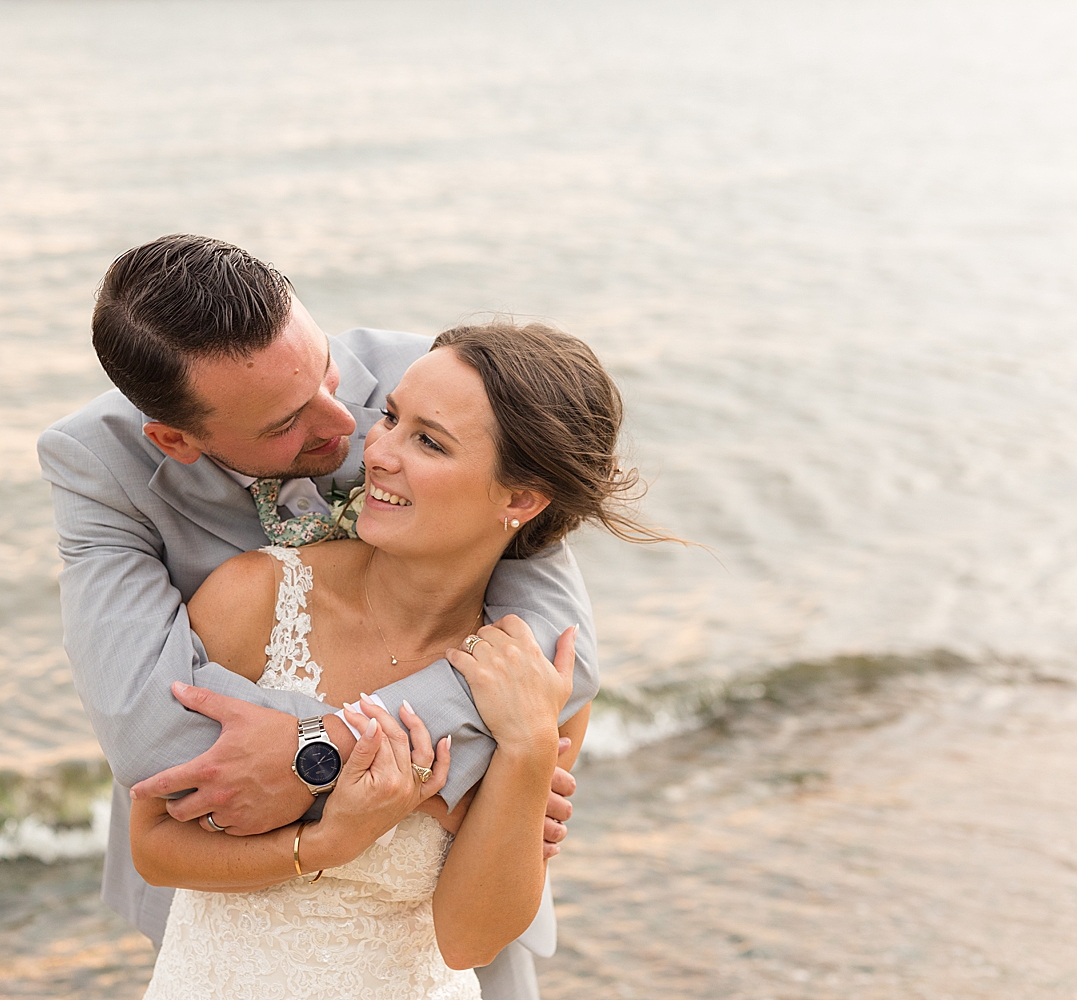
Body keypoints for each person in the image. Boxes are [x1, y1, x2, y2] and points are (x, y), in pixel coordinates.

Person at [37, 235, 600, 998]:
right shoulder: (103, 471)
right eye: (284, 423)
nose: (353, 430)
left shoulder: (438, 382)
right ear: (177, 439)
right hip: (239, 925)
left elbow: (560, 650)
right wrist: (444, 785)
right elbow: (155, 739)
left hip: (445, 941)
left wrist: (328, 742)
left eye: (326, 370)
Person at [132, 318, 652, 998]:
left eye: (429, 441)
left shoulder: (534, 685)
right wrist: (325, 844)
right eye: (393, 419)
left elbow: (470, 938)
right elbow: (153, 844)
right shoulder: (257, 597)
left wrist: (525, 749)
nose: (376, 451)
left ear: (520, 499)